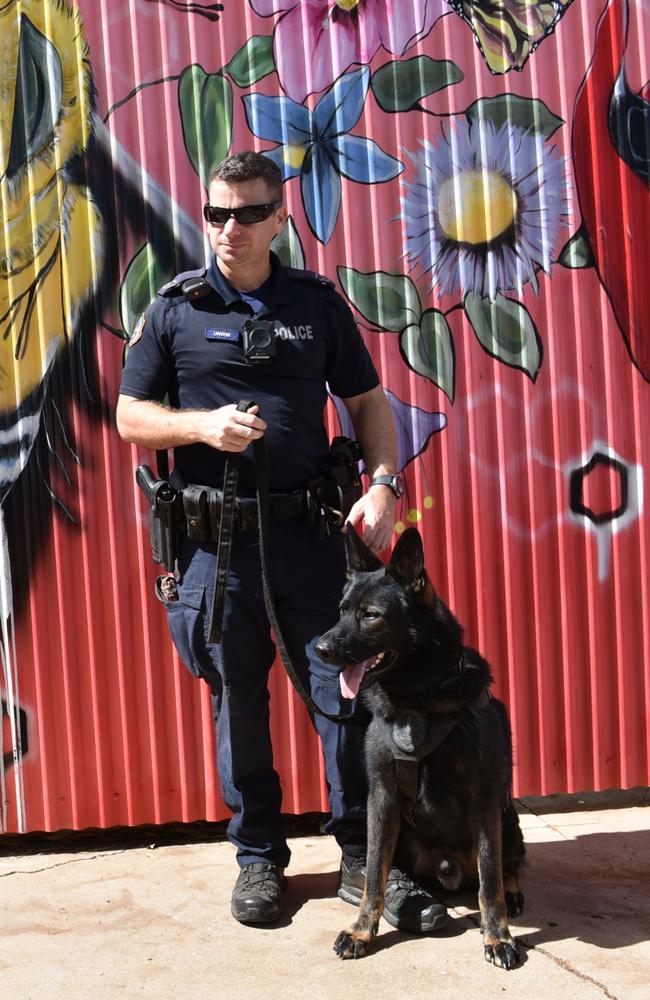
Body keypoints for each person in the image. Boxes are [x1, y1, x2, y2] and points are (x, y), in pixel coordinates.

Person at [116, 151, 446, 931]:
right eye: (217, 213)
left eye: (248, 213)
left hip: (310, 540)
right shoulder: (175, 309)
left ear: (279, 218)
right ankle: (259, 858)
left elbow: (366, 400)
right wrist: (201, 425)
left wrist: (383, 484)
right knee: (239, 704)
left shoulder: (316, 305)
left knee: (346, 701)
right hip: (216, 550)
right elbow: (131, 416)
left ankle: (367, 859)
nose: (230, 229)